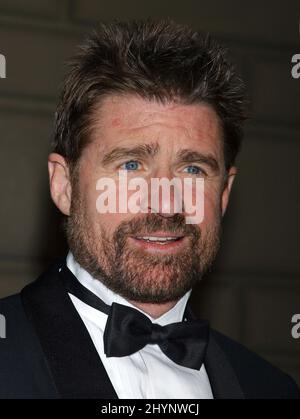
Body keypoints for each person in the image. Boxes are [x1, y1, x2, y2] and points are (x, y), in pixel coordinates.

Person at [0, 19, 299, 399]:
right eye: (131, 165)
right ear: (64, 186)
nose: (166, 202)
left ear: (224, 193)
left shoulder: (272, 389)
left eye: (192, 169)